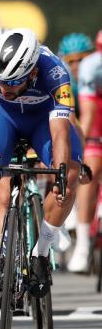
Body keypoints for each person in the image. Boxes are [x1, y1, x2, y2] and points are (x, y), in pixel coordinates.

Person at [0, 29, 81, 318]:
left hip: (43, 119)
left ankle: (40, 253)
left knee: (69, 176)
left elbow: (61, 134)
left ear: (31, 73)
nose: (5, 87)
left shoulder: (55, 73)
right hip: (2, 118)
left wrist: (61, 174)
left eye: (13, 82)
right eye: (0, 81)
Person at [69, 30, 102, 273]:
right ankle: (81, 244)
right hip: (95, 118)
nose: (76, 66)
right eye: (71, 61)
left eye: (79, 59)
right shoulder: (92, 69)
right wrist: (79, 150)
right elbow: (88, 115)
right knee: (91, 163)